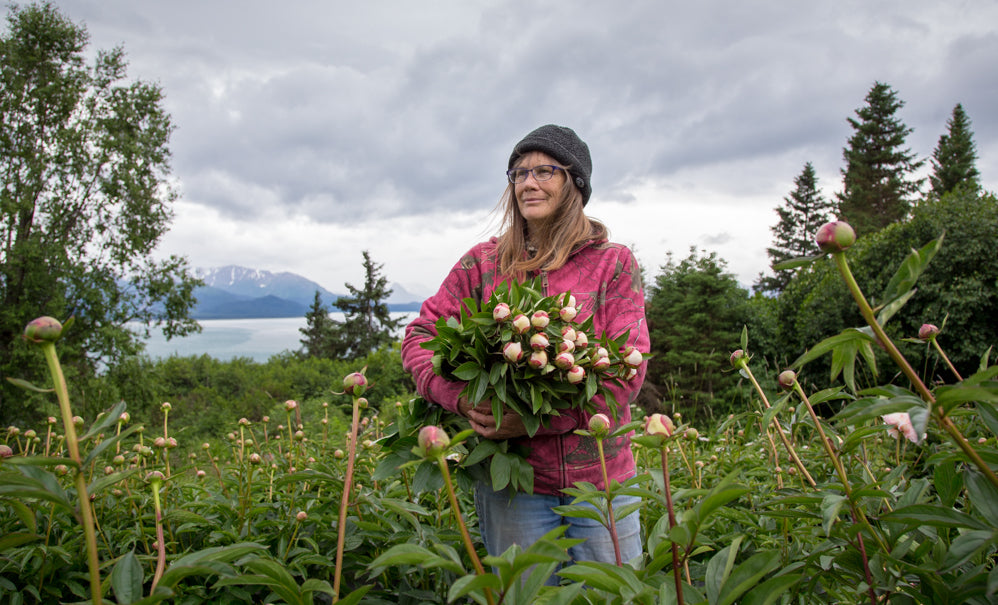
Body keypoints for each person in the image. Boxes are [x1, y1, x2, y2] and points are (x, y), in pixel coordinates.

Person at [400, 124, 649, 580]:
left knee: (617, 595)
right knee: (527, 596)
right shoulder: (484, 263)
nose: (527, 182)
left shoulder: (613, 264)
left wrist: (532, 421)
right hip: (514, 485)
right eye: (518, 173)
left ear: (574, 182)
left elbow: (625, 376)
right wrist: (460, 398)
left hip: (603, 483)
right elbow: (419, 336)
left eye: (544, 171)